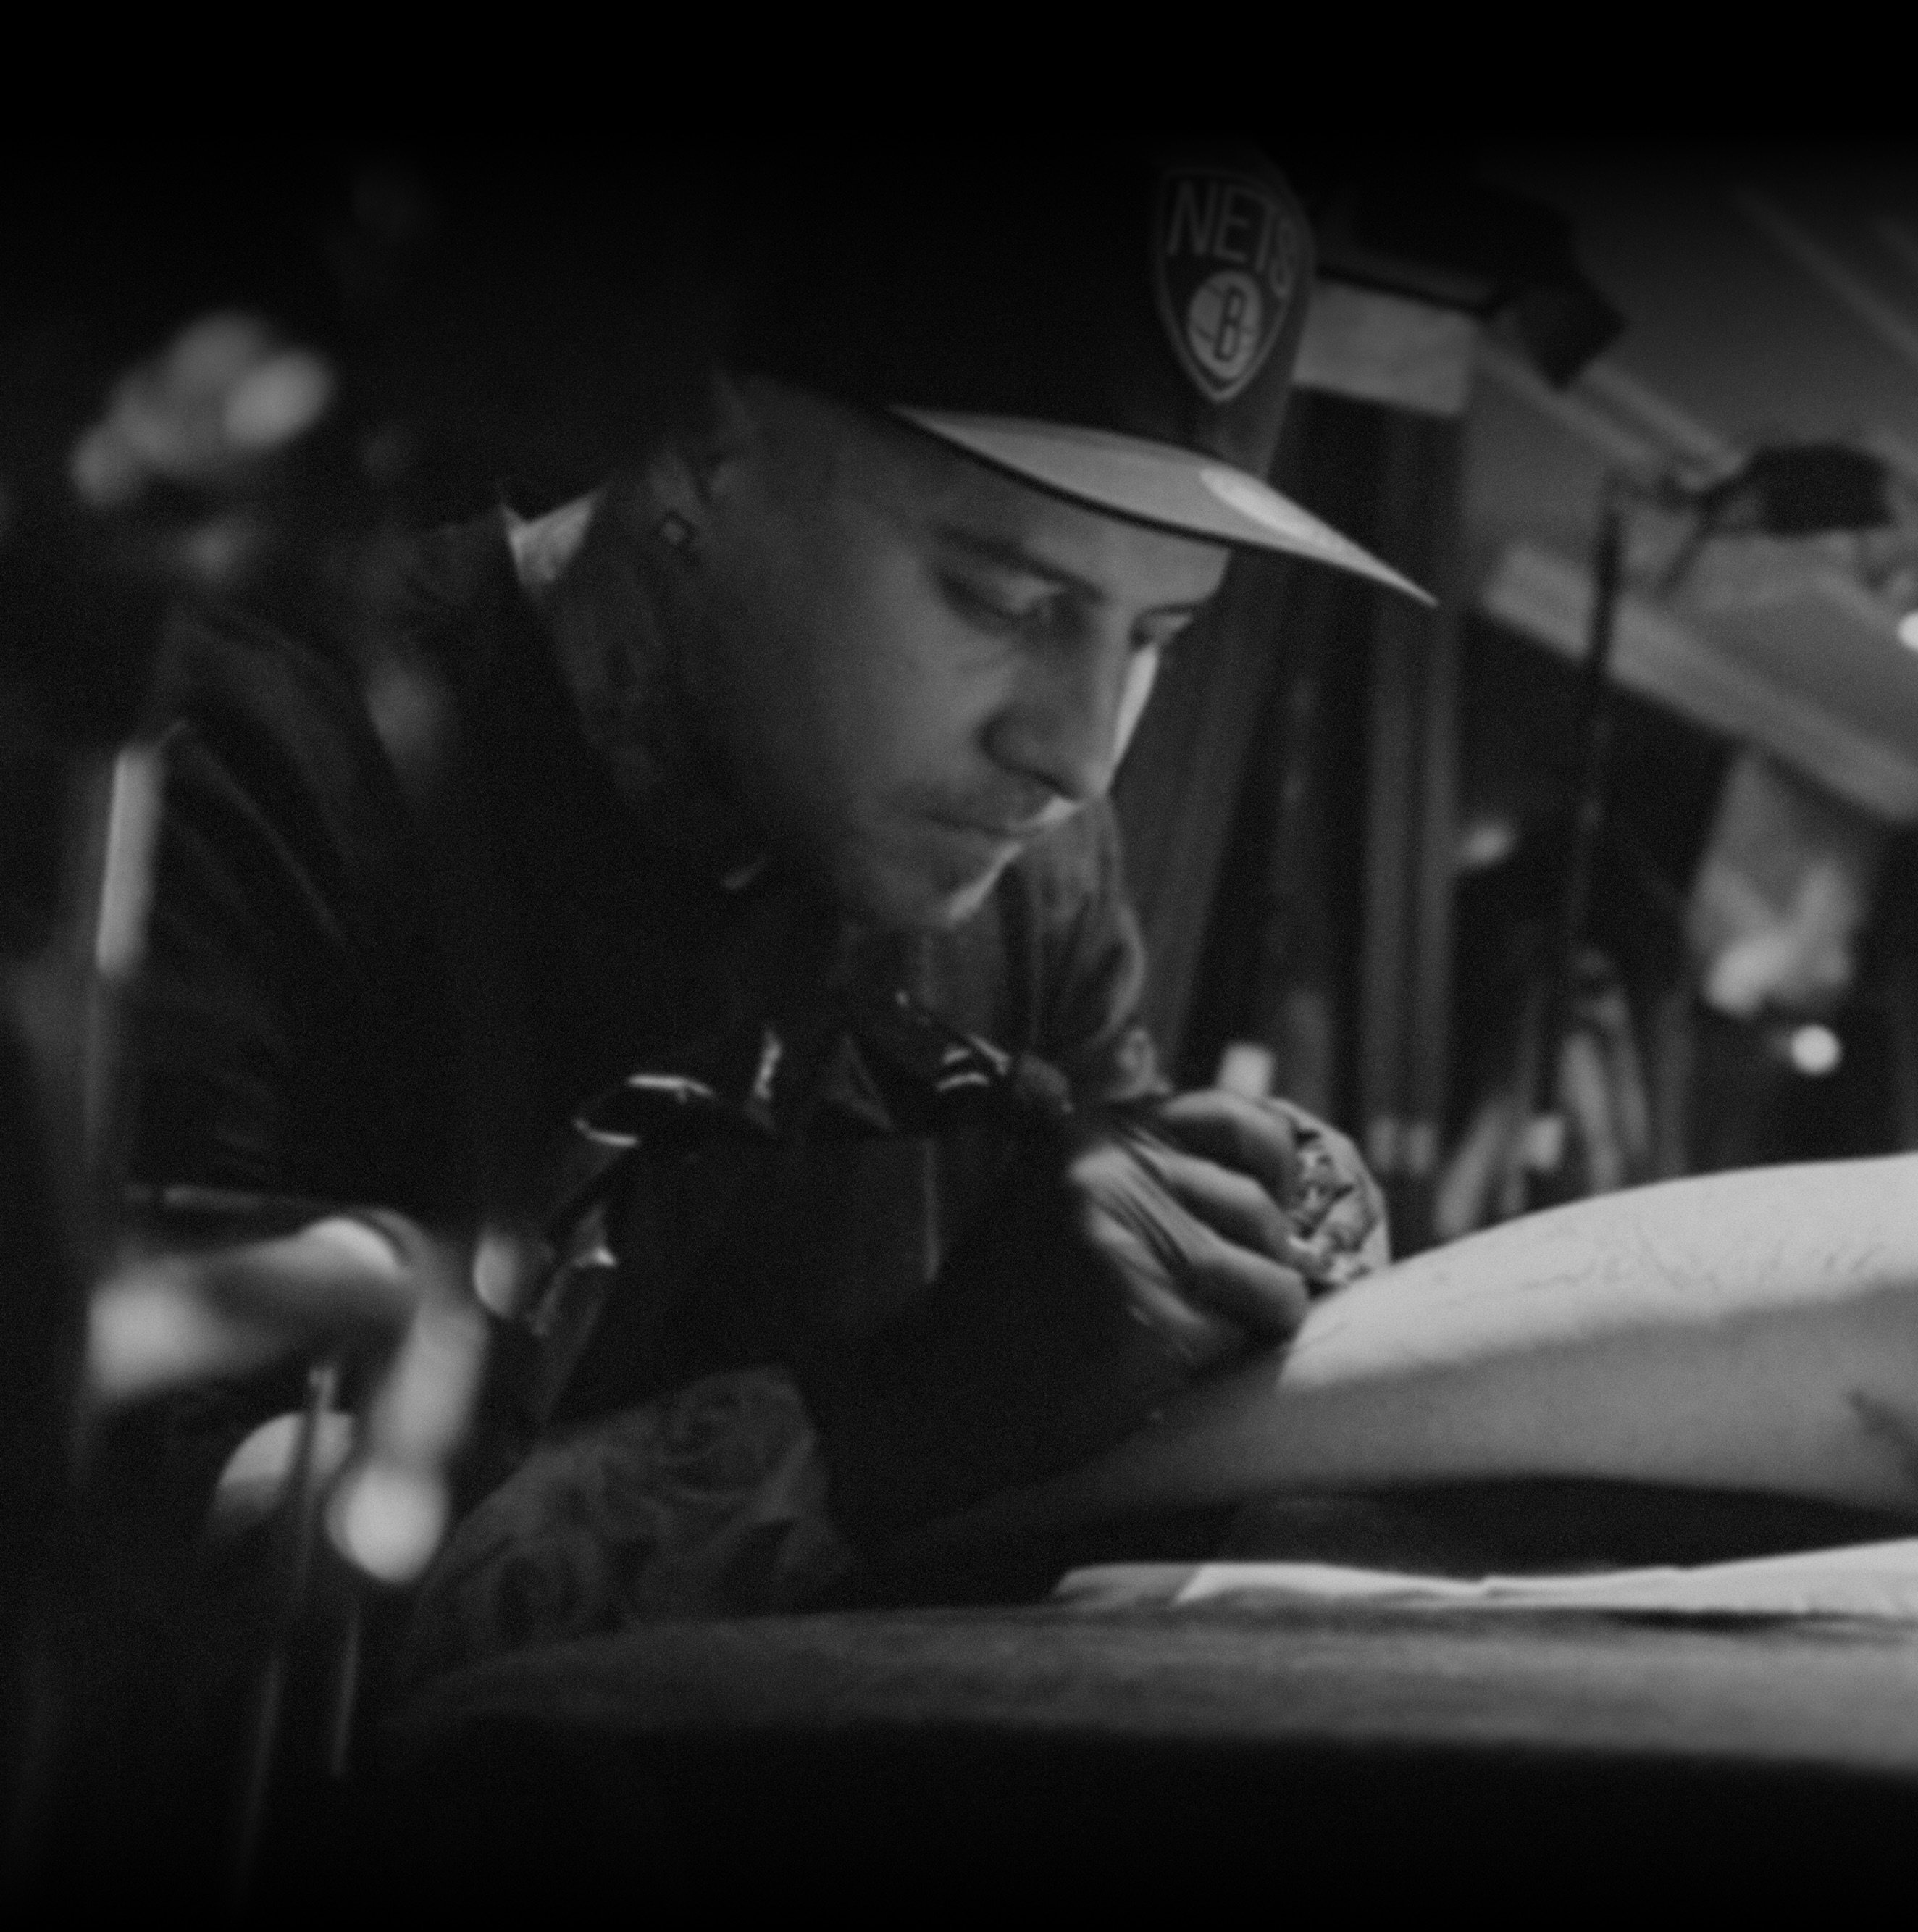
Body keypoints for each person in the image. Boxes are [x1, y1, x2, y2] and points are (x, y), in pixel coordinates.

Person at [110, 149, 1403, 1662]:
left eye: (1159, 636)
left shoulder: (1040, 869)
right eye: (1004, 600)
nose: (1076, 752)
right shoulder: (231, 776)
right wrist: (896, 1426)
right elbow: (141, 1576)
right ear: (698, 450)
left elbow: (1109, 1368)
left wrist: (1220, 1272)